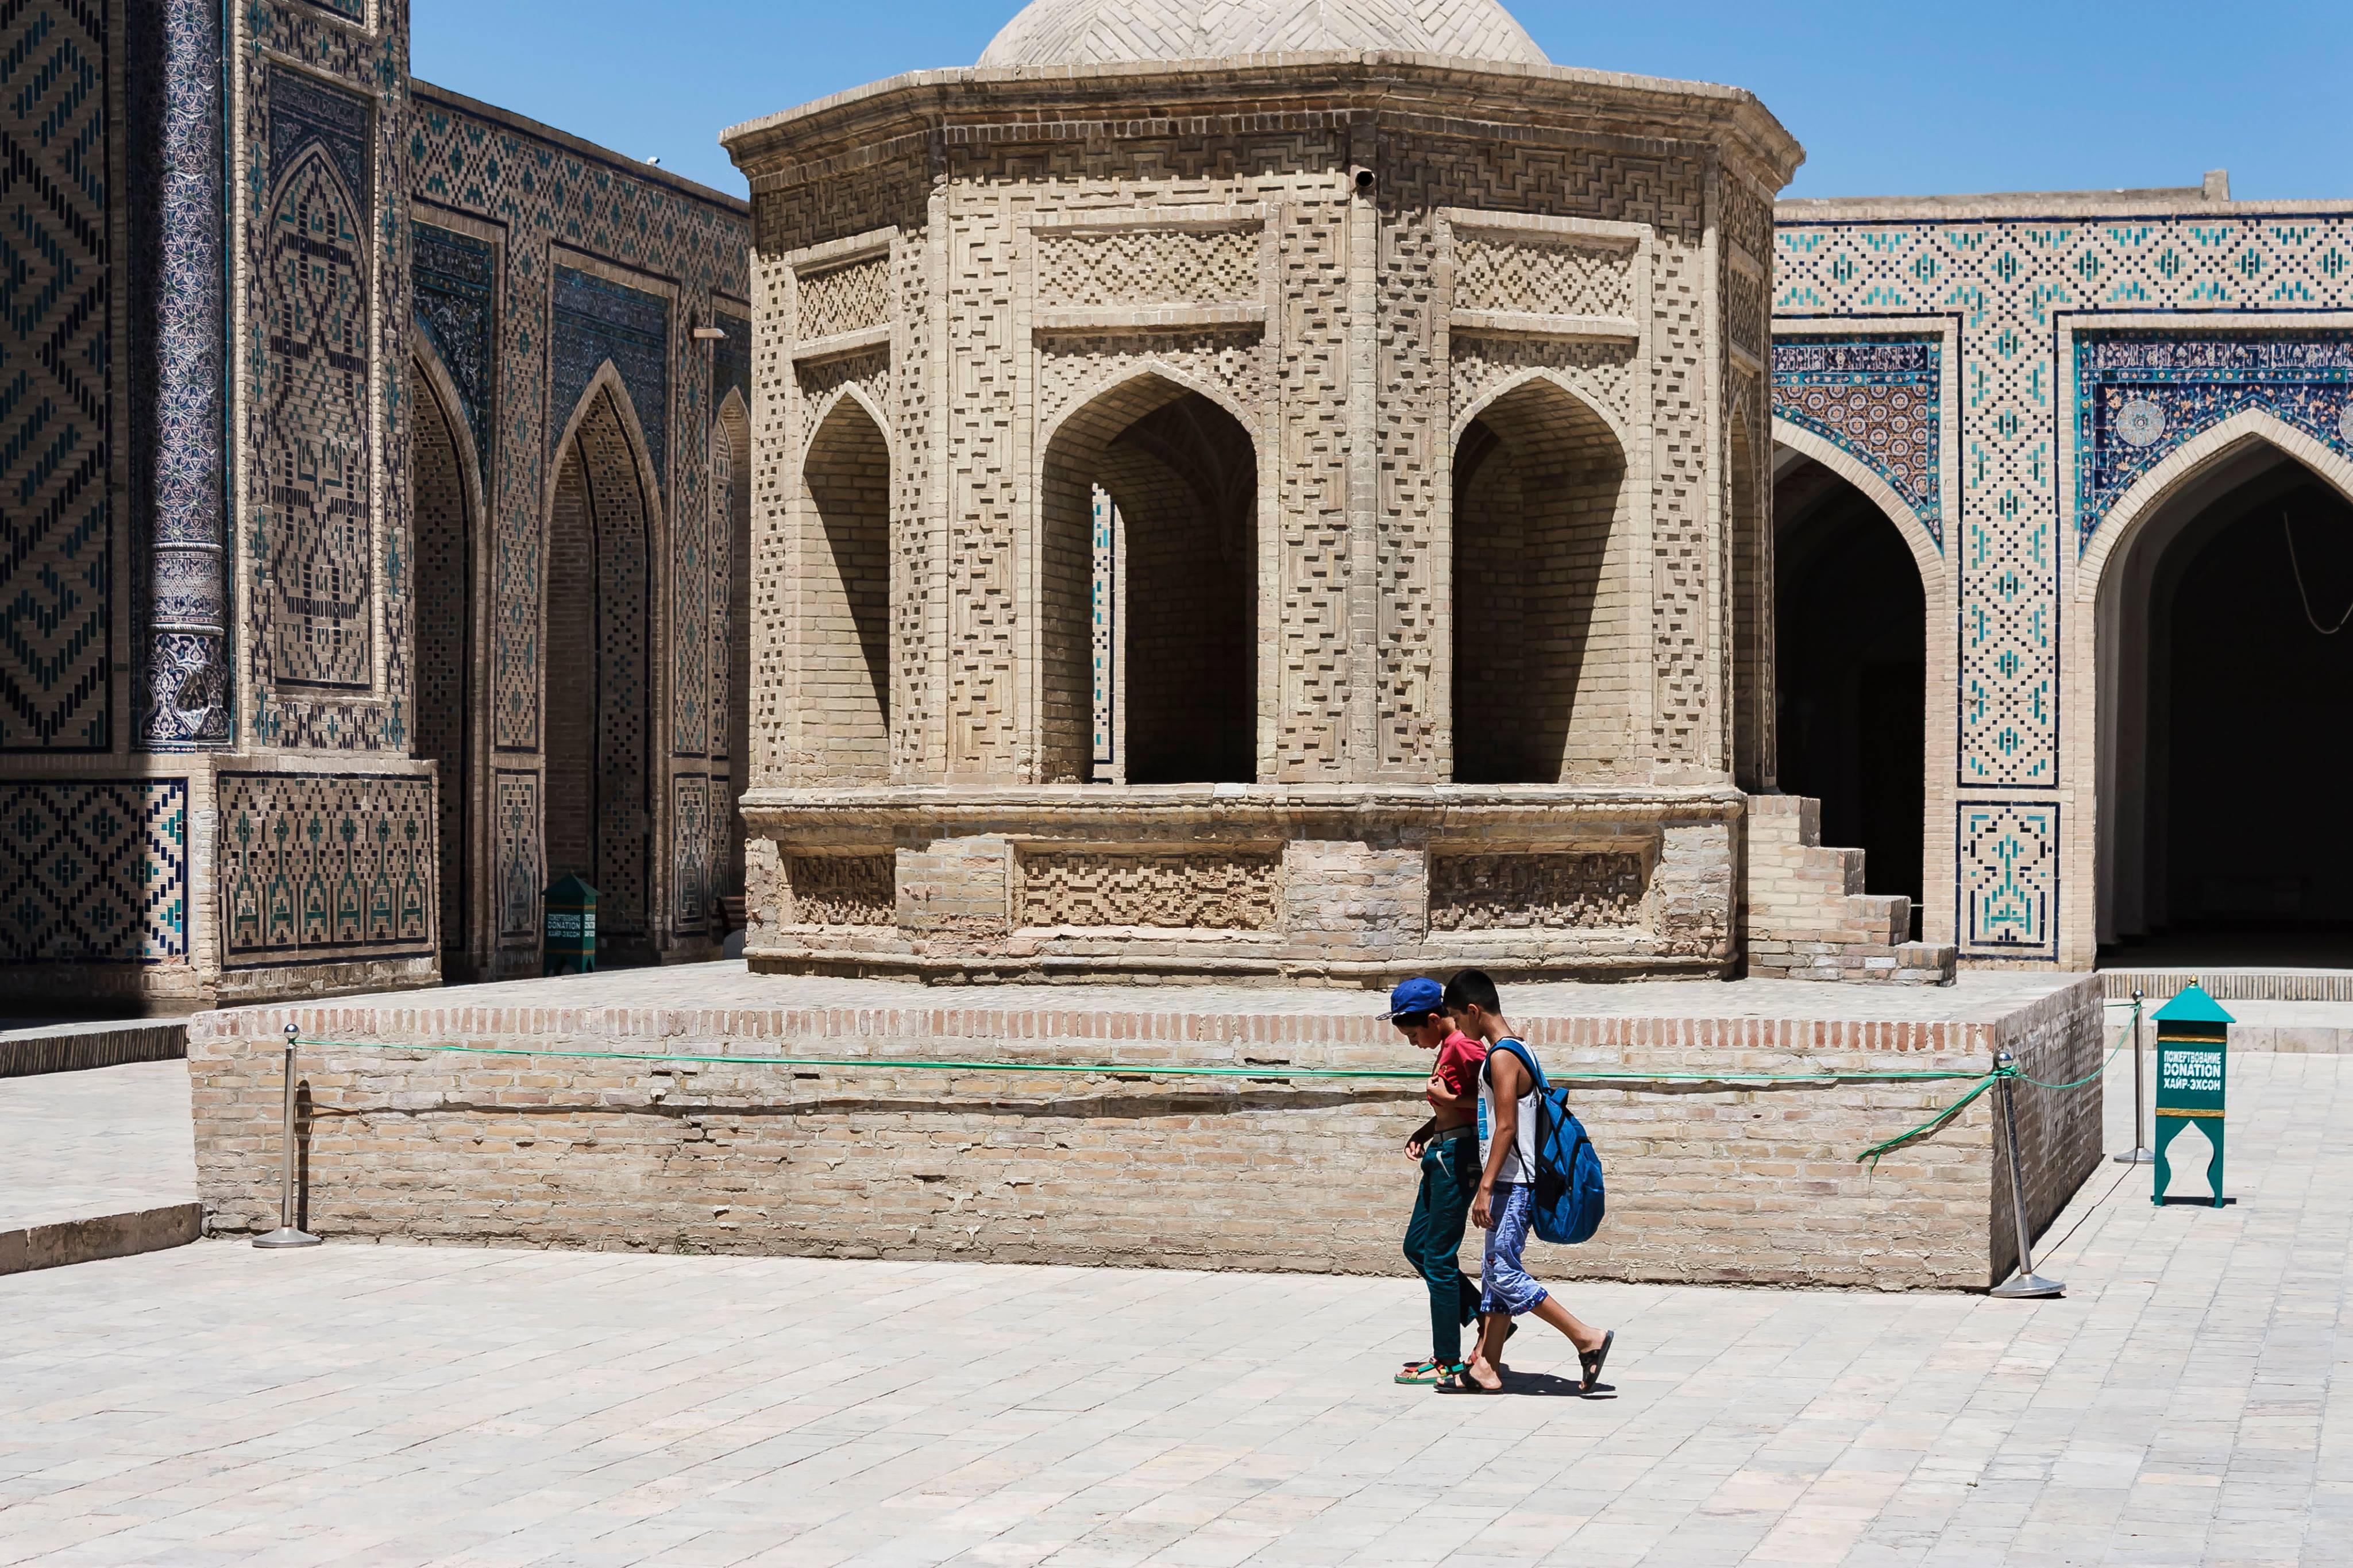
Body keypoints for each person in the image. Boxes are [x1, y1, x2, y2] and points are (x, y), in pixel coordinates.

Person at [1434, 968, 1615, 1396]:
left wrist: (1485, 1187)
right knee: (1495, 1274)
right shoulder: (1521, 1050)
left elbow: (1506, 1128)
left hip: (1511, 1185)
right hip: (1513, 1182)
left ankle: (1585, 1337)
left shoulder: (1502, 1056)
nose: (1459, 1028)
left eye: (1459, 1019)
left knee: (1506, 1274)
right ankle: (1487, 1368)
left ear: (1475, 1011)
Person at [1387, 977, 1488, 1385]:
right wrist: (1426, 1131)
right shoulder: (1448, 1047)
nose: (1414, 1043)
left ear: (1434, 1018)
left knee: (1439, 1259)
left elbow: (1497, 1098)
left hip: (1458, 1159)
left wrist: (1448, 1104)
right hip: (1441, 1152)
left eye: (1414, 1035)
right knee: (1417, 1247)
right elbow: (1455, 1103)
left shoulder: (1464, 1046)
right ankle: (1483, 1316)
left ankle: (1447, 1359)